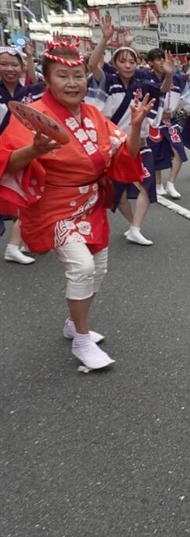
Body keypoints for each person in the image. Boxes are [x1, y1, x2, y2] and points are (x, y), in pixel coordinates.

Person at [0, 40, 153, 370]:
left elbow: (122, 153)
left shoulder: (94, 115)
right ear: (47, 78)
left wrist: (137, 127)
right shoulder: (33, 115)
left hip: (91, 202)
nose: (72, 83)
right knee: (81, 267)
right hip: (53, 206)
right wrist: (35, 150)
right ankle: (82, 339)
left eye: (78, 76)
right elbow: (8, 161)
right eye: (63, 76)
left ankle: (74, 324)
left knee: (98, 269)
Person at [86, 15, 164, 246]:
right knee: (117, 193)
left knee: (147, 185)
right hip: (116, 147)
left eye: (132, 61)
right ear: (115, 63)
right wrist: (106, 38)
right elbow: (92, 65)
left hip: (140, 144)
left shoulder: (144, 82)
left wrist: (167, 73)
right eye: (123, 61)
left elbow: (163, 89)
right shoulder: (107, 81)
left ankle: (136, 227)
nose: (128, 65)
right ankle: (133, 226)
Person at [1, 44, 46, 264]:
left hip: (23, 151)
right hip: (3, 153)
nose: (9, 69)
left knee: (24, 195)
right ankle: (14, 244)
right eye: (3, 64)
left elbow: (40, 84)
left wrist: (29, 56)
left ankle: (16, 242)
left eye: (13, 64)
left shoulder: (28, 92)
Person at [145, 48, 189, 200]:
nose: (162, 63)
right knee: (155, 152)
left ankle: (171, 183)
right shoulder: (147, 78)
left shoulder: (176, 79)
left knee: (178, 150)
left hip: (170, 121)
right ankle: (157, 185)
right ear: (150, 62)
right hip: (152, 121)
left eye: (163, 59)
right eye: (158, 59)